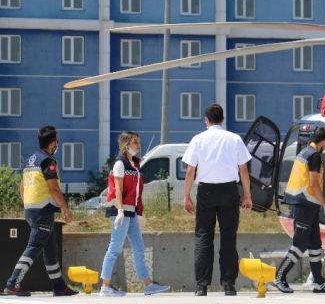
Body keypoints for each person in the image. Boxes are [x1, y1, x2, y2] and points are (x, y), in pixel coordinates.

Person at [182, 103, 253, 296]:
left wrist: (186, 196)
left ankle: (201, 286)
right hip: (229, 190)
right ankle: (229, 285)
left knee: (204, 237)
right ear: (222, 119)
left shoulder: (198, 139)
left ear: (206, 120)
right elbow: (244, 169)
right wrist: (247, 195)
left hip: (205, 191)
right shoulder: (234, 139)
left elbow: (190, 171)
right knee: (228, 238)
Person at [3, 126, 79, 297]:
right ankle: (12, 283)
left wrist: (28, 205)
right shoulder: (47, 161)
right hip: (43, 211)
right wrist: (66, 210)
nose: (57, 145)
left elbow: (21, 187)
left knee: (51, 249)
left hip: (31, 210)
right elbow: (54, 189)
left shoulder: (30, 160)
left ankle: (59, 286)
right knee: (34, 247)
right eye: (57, 142)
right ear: (52, 143)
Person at [99, 131, 171, 297]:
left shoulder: (135, 164)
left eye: (138, 142)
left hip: (130, 212)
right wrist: (120, 211)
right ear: (126, 146)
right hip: (120, 211)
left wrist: (138, 212)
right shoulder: (120, 164)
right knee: (115, 248)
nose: (139, 145)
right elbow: (117, 188)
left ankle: (148, 285)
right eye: (135, 142)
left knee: (138, 248)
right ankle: (105, 287)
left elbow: (136, 191)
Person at [272, 127, 325, 294]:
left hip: (306, 204)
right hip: (305, 204)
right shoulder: (315, 156)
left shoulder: (304, 153)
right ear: (323, 142)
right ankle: (279, 277)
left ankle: (318, 282)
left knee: (315, 245)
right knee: (300, 245)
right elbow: (314, 183)